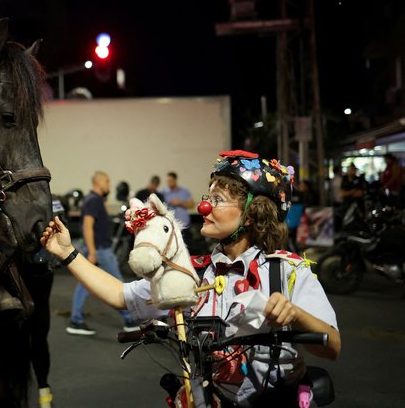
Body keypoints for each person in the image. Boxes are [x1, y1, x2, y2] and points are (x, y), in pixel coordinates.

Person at [41, 151, 340, 406]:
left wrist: (296, 315)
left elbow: (332, 346)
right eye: (207, 196)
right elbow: (121, 295)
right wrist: (67, 253)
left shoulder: (287, 271)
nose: (204, 207)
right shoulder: (189, 273)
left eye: (218, 199)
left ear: (251, 215)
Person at [65, 171, 139, 336]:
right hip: (100, 251)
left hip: (100, 250)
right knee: (118, 285)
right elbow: (87, 226)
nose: (109, 185)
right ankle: (128, 319)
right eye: (107, 181)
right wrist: (92, 252)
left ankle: (76, 320)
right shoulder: (94, 200)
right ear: (98, 182)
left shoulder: (95, 200)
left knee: (85, 284)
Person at [162, 171, 195, 251]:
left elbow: (192, 205)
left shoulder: (184, 191)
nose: (169, 183)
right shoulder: (163, 193)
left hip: (184, 224)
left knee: (185, 247)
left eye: (171, 181)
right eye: (168, 181)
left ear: (175, 180)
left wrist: (180, 202)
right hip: (171, 224)